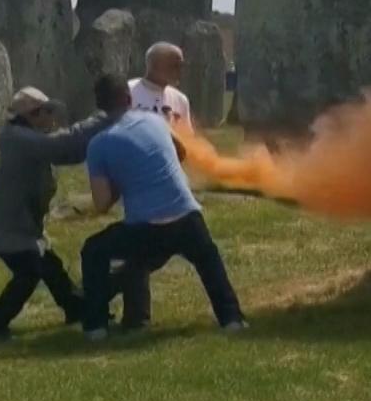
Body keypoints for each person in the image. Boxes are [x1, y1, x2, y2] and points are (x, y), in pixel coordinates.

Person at [79, 74, 246, 339]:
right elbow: (181, 151)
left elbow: (101, 204)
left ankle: (96, 326)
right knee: (207, 260)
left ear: (100, 106)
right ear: (129, 99)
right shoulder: (156, 121)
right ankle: (232, 319)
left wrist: (122, 179)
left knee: (94, 250)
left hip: (145, 228)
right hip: (187, 215)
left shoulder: (98, 145)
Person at [0, 87, 113, 342]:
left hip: (22, 225)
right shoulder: (20, 139)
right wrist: (105, 118)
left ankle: (76, 308)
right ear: (31, 115)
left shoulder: (27, 137)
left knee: (50, 267)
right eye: (46, 111)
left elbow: (70, 152)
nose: (52, 116)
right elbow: (62, 145)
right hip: (5, 227)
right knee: (29, 273)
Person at [130, 42, 191, 128]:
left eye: (181, 65)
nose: (180, 71)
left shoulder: (180, 100)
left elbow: (186, 135)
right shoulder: (127, 92)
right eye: (175, 65)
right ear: (155, 65)